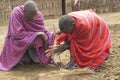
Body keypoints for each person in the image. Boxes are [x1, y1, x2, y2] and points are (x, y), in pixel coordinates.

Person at [46, 9, 111, 72]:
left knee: (93, 46)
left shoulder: (83, 26)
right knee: (71, 40)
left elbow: (80, 43)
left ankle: (99, 57)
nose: (68, 34)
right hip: (87, 21)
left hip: (98, 26)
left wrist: (65, 46)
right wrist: (59, 34)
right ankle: (73, 61)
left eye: (68, 32)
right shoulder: (68, 21)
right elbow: (67, 34)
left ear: (73, 25)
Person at [0, 0, 55, 71]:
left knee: (50, 35)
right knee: (27, 41)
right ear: (24, 11)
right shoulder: (16, 13)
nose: (33, 18)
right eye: (30, 16)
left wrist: (42, 35)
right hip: (18, 39)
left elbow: (42, 29)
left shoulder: (38, 15)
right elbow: (16, 34)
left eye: (34, 15)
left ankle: (40, 58)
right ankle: (20, 59)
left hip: (31, 36)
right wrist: (38, 34)